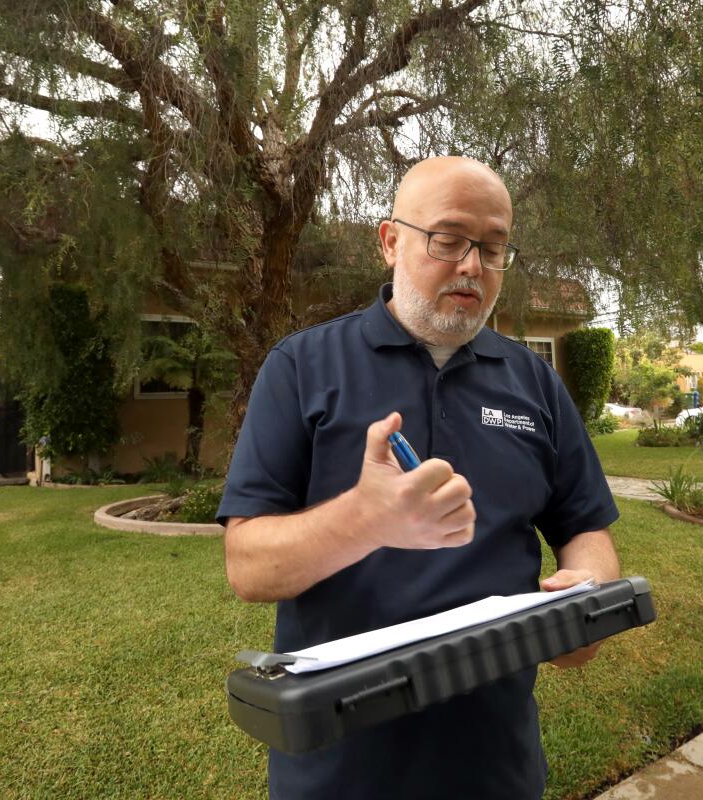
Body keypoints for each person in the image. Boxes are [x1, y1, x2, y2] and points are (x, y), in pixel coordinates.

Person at [217, 156, 621, 800]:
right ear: (390, 241)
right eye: (449, 238)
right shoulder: (301, 366)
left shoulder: (535, 381)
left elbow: (585, 527)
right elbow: (248, 568)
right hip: (339, 768)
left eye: (493, 247)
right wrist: (366, 520)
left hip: (497, 766)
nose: (472, 266)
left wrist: (586, 602)